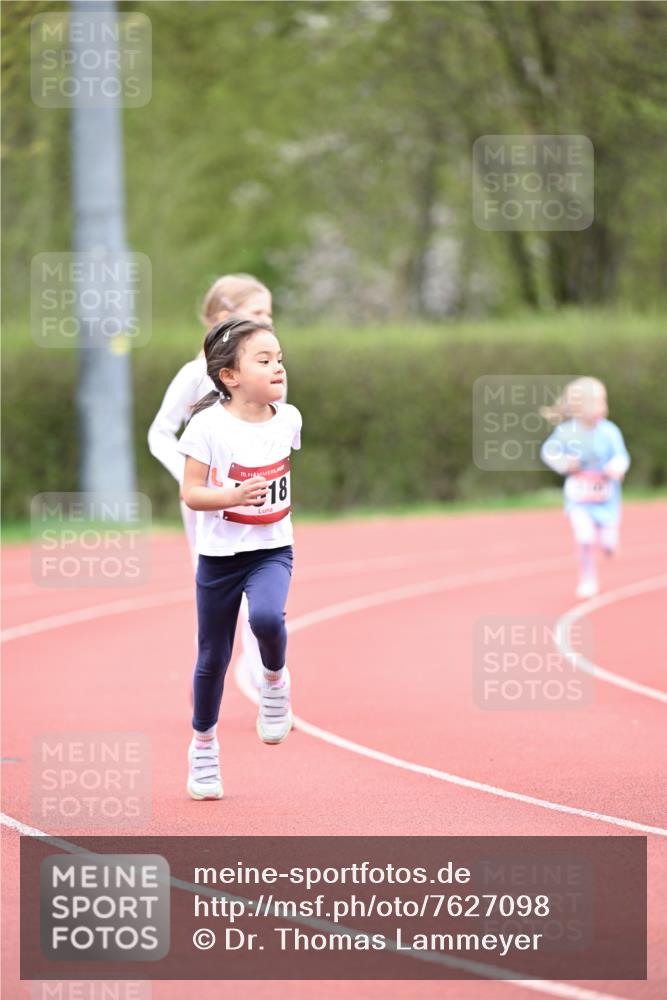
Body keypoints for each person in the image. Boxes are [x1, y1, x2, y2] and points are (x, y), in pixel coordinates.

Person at [178, 315, 302, 800]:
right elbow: (191, 493)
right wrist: (230, 496)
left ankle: (274, 681)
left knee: (268, 618)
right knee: (213, 656)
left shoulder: (289, 419)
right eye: (264, 360)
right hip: (219, 558)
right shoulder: (206, 426)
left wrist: (260, 498)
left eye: (280, 359)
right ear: (229, 376)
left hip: (272, 548)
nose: (278, 368)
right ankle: (203, 746)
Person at [148, 274, 275, 687]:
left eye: (270, 314)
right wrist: (190, 478)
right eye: (258, 313)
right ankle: (209, 681)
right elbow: (159, 432)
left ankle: (265, 681)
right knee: (219, 599)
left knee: (262, 594)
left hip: (255, 500)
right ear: (225, 317)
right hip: (205, 507)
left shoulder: (272, 373)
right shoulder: (195, 374)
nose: (267, 322)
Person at [540, 377, 630, 600]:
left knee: (608, 543)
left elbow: (621, 456)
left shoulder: (610, 431)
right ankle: (587, 578)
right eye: (597, 402)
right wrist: (565, 463)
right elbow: (548, 452)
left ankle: (609, 542)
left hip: (606, 499)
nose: (602, 407)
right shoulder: (566, 432)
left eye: (603, 401)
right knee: (585, 537)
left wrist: (616, 467)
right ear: (579, 407)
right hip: (579, 499)